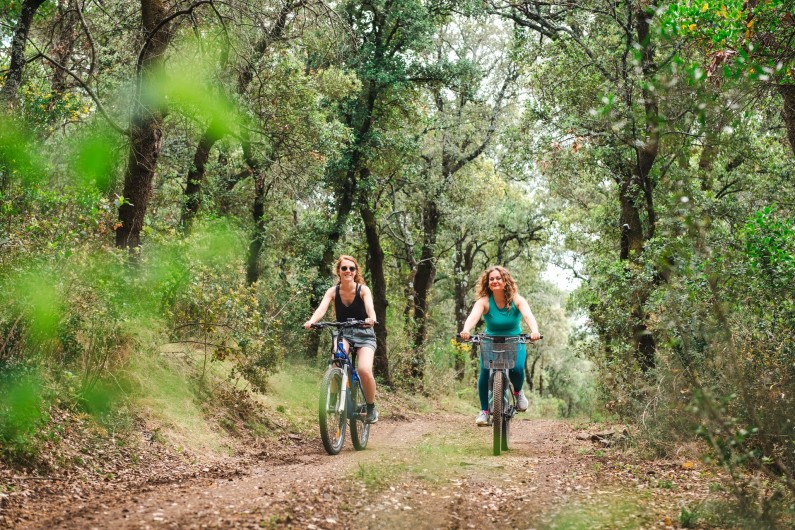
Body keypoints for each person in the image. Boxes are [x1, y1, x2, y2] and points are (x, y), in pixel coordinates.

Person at [459, 265, 541, 426]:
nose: (495, 281)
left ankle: (518, 393)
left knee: (517, 368)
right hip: (490, 341)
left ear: (505, 281)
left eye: (498, 278)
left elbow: (527, 315)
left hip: (514, 340)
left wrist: (534, 331)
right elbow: (473, 316)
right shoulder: (484, 301)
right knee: (484, 372)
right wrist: (466, 329)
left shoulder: (517, 299)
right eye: (491, 279)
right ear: (487, 282)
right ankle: (484, 411)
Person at [304, 255, 379, 423]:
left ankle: (371, 407)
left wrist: (371, 318)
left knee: (364, 370)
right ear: (338, 271)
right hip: (344, 333)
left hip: (364, 334)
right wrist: (312, 321)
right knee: (336, 361)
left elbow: (370, 307)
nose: (348, 271)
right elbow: (321, 309)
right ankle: (331, 397)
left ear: (355, 272)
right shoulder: (332, 291)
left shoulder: (363, 290)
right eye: (344, 268)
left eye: (351, 269)